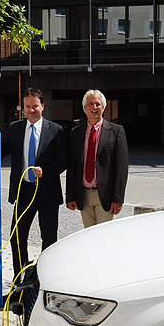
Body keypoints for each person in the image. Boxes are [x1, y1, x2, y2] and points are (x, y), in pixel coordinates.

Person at [1, 88, 68, 279]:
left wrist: (45, 171)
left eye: (35, 106)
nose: (31, 110)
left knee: (48, 239)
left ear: (43, 106)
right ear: (23, 108)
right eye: (27, 106)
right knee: (17, 239)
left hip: (47, 191)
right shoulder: (14, 128)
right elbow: (0, 150)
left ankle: (45, 280)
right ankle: (20, 284)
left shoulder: (56, 131)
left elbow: (63, 161)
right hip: (23, 191)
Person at [66, 89, 129, 227]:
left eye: (98, 104)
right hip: (83, 195)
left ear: (103, 107)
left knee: (103, 237)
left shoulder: (116, 131)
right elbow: (72, 166)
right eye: (90, 104)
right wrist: (70, 196)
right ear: (84, 107)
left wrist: (118, 198)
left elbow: (121, 168)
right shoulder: (76, 133)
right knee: (88, 236)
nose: (94, 108)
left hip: (105, 196)